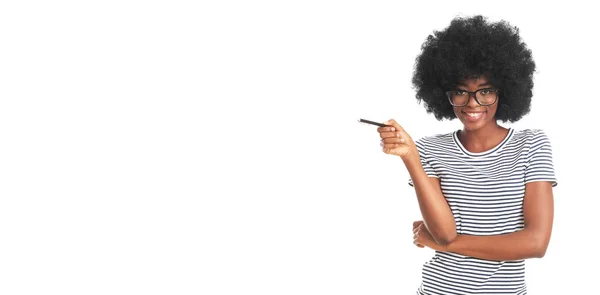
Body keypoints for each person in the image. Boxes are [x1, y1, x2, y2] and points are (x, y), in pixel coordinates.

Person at [377, 15, 557, 295]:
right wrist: (410, 157)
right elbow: (444, 231)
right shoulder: (429, 149)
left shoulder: (531, 145)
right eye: (461, 92)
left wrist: (442, 244)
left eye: (485, 91)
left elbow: (535, 243)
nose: (472, 104)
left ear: (504, 91)